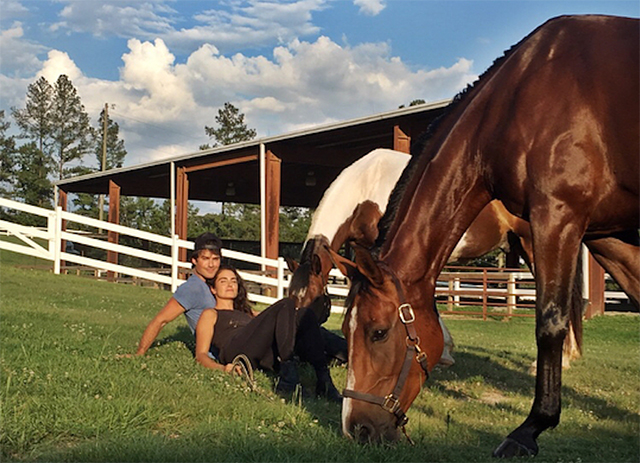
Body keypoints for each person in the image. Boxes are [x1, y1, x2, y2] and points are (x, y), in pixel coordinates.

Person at [195, 264, 342, 402]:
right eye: (223, 281)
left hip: (258, 349)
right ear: (213, 289)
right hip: (236, 350)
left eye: (233, 281)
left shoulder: (248, 313)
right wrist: (222, 368)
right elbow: (201, 354)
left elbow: (280, 320)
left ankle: (324, 380)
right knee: (287, 303)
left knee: (305, 314)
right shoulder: (211, 313)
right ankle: (288, 379)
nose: (230, 284)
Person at [135, 232, 222, 356]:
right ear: (194, 260)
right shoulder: (191, 289)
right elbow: (160, 320)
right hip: (220, 351)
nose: (211, 265)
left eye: (215, 259)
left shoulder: (213, 284)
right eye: (205, 259)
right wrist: (140, 352)